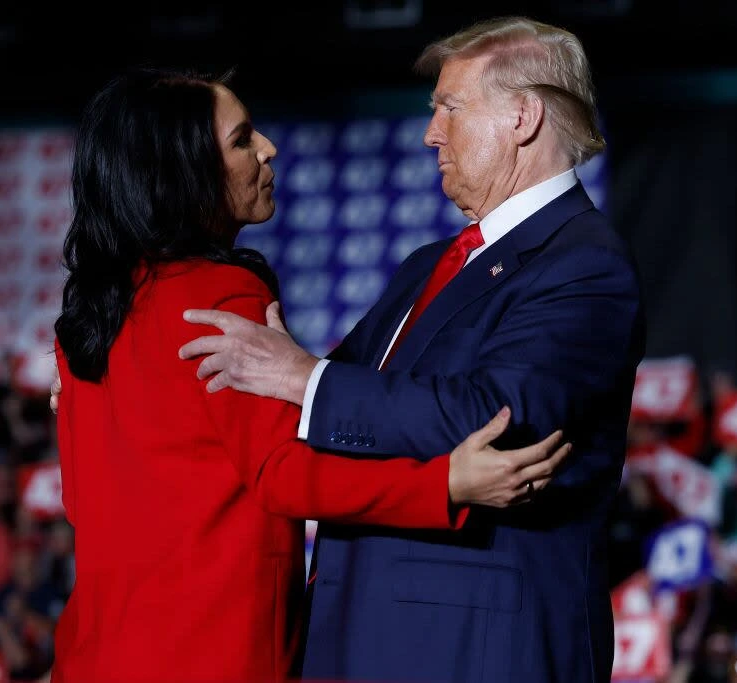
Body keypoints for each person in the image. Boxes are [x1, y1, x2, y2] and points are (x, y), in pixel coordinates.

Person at [49, 67, 572, 683]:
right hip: (211, 653)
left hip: (94, 655)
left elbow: (81, 505)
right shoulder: (220, 293)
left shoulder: (84, 319)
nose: (268, 148)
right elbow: (283, 474)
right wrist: (444, 484)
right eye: (242, 139)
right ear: (184, 173)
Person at [177, 17, 646, 683]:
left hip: (476, 651)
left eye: (449, 108)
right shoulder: (432, 263)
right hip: (364, 636)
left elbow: (499, 418)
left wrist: (309, 379)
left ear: (522, 116)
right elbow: (302, 401)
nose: (431, 132)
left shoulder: (584, 264)